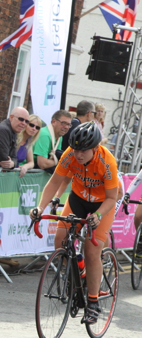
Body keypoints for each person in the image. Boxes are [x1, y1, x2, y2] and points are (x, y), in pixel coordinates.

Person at [29, 121, 118, 325]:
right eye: (76, 149)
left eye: (83, 150)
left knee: (91, 250)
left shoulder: (107, 162)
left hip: (102, 204)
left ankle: (93, 302)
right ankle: (76, 273)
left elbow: (112, 198)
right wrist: (40, 208)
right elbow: (54, 182)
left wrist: (98, 215)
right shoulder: (69, 155)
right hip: (78, 199)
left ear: (95, 148)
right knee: (60, 239)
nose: (78, 154)